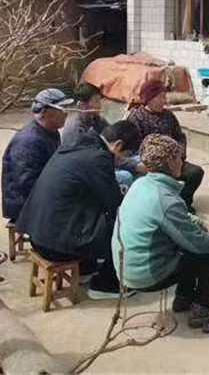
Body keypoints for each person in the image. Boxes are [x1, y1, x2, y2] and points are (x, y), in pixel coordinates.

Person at [114, 134, 209, 328]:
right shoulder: (165, 199)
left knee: (187, 243)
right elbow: (199, 243)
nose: (182, 162)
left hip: (126, 268)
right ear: (170, 162)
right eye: (179, 157)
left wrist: (198, 222)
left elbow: (180, 217)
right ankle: (202, 309)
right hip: (145, 276)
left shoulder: (140, 184)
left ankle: (184, 298)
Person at [17, 121, 140, 298]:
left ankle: (85, 269)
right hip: (55, 245)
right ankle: (105, 285)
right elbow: (113, 202)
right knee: (123, 225)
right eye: (125, 153)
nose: (122, 158)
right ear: (118, 144)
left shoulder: (75, 144)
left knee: (92, 212)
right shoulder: (98, 158)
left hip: (37, 233)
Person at [127, 79, 204, 211]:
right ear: (150, 99)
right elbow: (134, 147)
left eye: (164, 97)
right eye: (160, 97)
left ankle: (183, 204)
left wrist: (179, 156)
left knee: (195, 172)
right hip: (152, 165)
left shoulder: (168, 115)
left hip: (173, 160)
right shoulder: (136, 118)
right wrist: (152, 162)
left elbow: (179, 137)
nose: (164, 101)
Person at [1, 88, 73, 222]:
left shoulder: (52, 132)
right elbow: (26, 183)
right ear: (46, 112)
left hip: (43, 196)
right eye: (62, 109)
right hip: (25, 206)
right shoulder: (28, 141)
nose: (66, 113)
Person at [64, 81, 139, 189]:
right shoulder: (76, 130)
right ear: (81, 105)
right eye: (96, 101)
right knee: (126, 176)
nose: (100, 105)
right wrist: (134, 165)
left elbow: (113, 133)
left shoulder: (94, 118)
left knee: (138, 157)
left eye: (99, 100)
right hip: (86, 171)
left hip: (100, 159)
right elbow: (97, 158)